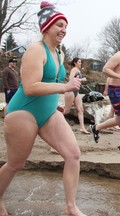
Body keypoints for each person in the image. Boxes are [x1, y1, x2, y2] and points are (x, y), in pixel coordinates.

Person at [0, 2, 86, 215]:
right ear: (46, 26)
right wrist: (65, 86)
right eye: (59, 25)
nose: (63, 30)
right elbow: (30, 87)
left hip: (47, 113)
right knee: (16, 164)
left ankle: (71, 207)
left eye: (65, 26)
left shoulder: (60, 54)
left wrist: (54, 101)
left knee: (73, 155)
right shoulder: (35, 50)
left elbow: (49, 83)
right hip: (23, 112)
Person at [90, 35, 120, 154]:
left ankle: (96, 128)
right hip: (116, 90)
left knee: (118, 120)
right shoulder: (118, 56)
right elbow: (105, 69)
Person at [64, 57, 90, 134]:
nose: (80, 63)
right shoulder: (74, 69)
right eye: (79, 62)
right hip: (70, 91)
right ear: (75, 63)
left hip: (76, 91)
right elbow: (70, 78)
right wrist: (82, 79)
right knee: (66, 111)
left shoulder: (78, 70)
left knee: (80, 109)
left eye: (80, 62)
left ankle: (82, 128)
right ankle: (55, 121)